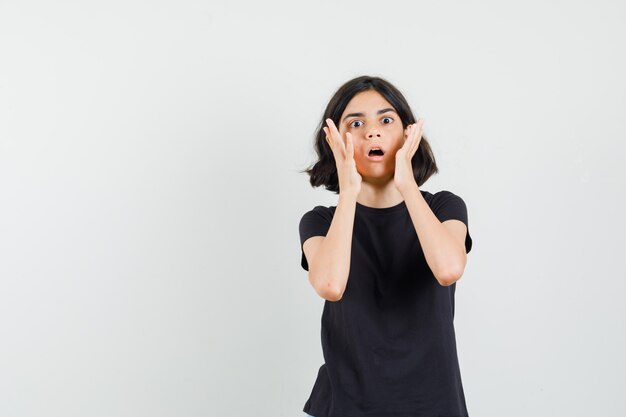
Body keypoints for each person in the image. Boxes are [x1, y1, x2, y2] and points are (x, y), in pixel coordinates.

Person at [298, 75, 473, 417]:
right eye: (356, 123)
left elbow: (449, 269)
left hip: (434, 406)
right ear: (335, 139)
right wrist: (349, 190)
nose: (372, 131)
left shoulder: (444, 208)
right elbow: (330, 286)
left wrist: (406, 183)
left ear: (408, 135)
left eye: (386, 119)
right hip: (346, 406)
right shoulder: (319, 221)